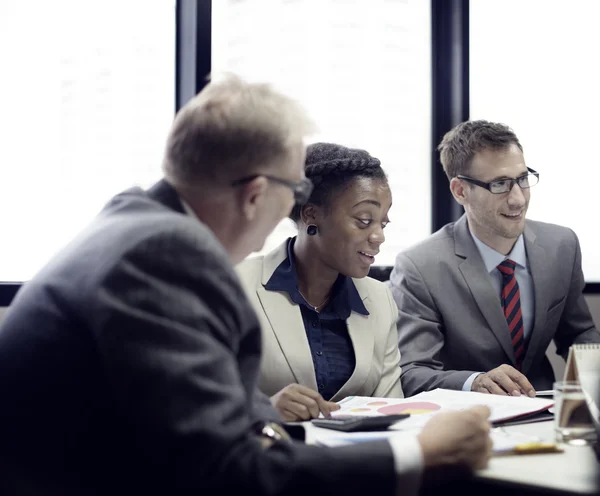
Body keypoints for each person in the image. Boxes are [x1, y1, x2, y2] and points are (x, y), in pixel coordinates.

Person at [0, 75, 492, 496]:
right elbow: (223, 474)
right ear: (257, 194)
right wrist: (416, 453)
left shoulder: (134, 222)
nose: (293, 210)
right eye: (294, 193)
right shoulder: (168, 257)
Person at [388, 119, 600, 397]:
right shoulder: (419, 266)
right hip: (464, 419)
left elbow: (578, 335)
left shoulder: (562, 245)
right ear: (460, 191)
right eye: (500, 184)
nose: (518, 200)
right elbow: (412, 372)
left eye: (523, 179)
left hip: (544, 409)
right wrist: (475, 382)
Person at [237, 143, 402, 422]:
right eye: (364, 221)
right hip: (265, 455)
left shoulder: (379, 299)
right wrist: (265, 410)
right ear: (310, 215)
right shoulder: (237, 284)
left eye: (382, 224)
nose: (378, 236)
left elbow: (391, 406)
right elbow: (196, 402)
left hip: (357, 459)